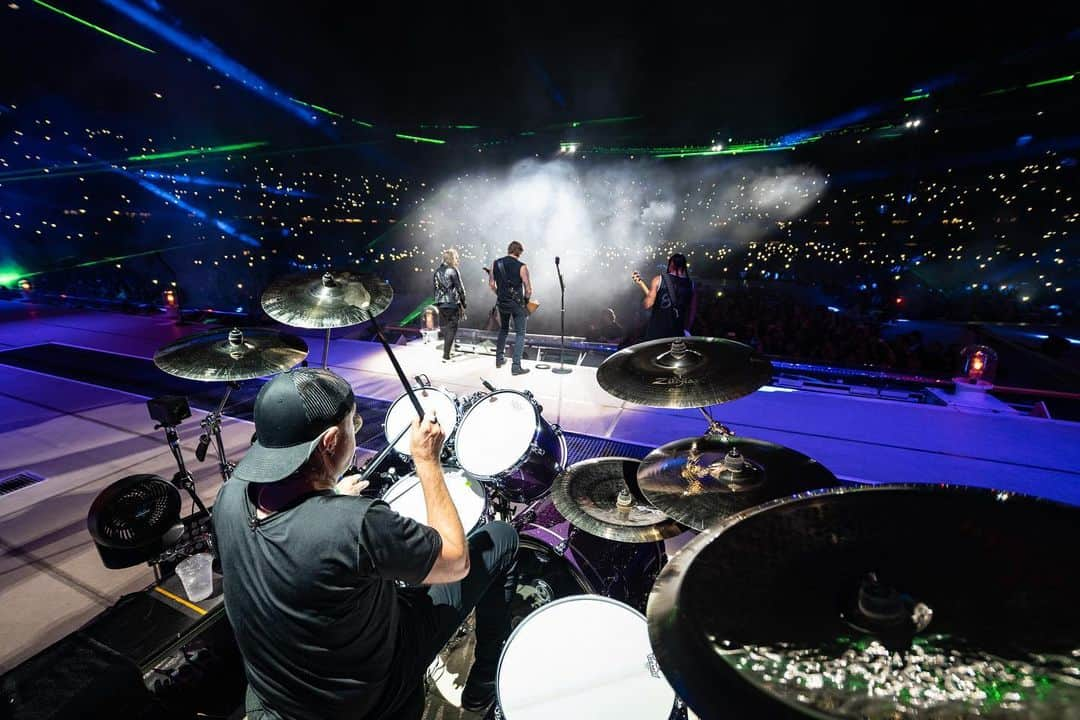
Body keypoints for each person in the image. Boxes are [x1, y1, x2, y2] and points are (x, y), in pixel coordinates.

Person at [213, 368, 518, 719]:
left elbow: (289, 546)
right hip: (361, 700)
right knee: (502, 538)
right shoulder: (354, 523)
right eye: (352, 424)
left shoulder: (229, 496)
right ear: (330, 442)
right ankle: (481, 688)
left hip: (279, 695)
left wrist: (328, 497)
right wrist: (427, 461)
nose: (355, 431)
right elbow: (455, 561)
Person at [488, 241, 532, 375]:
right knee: (520, 333)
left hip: (502, 303)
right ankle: (516, 366)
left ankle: (499, 359)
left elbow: (491, 284)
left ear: (509, 250)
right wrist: (526, 302)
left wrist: (500, 294)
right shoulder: (522, 267)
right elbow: (529, 290)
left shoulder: (496, 263)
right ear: (519, 252)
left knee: (504, 329)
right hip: (517, 305)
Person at [632, 253, 698, 341]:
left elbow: (648, 304)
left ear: (671, 264)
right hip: (677, 333)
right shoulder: (691, 284)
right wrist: (687, 329)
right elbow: (692, 311)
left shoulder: (659, 279)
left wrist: (644, 297)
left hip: (657, 332)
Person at [432, 248, 466, 362]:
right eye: (456, 257)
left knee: (446, 327)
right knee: (452, 328)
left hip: (440, 303)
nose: (458, 260)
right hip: (451, 303)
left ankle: (447, 351)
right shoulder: (452, 270)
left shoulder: (437, 271)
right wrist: (464, 302)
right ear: (452, 258)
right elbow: (460, 288)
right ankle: (446, 354)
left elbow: (436, 288)